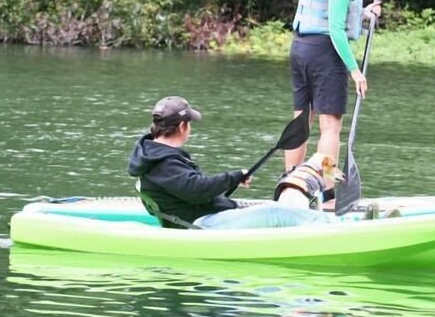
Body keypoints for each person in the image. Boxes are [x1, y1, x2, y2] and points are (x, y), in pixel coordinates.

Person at [127, 96, 334, 229]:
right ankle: (336, 229)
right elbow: (196, 189)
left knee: (273, 206)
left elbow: (189, 191)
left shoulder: (154, 154)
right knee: (275, 213)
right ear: (182, 126)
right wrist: (233, 176)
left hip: (200, 214)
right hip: (201, 224)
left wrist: (232, 181)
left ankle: (319, 222)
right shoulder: (164, 162)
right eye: (189, 124)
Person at [286, 0, 382, 203]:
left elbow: (330, 15)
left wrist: (363, 13)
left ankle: (291, 182)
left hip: (300, 49)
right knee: (330, 128)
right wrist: (355, 72)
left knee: (301, 120)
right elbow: (337, 31)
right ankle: (327, 194)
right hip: (326, 54)